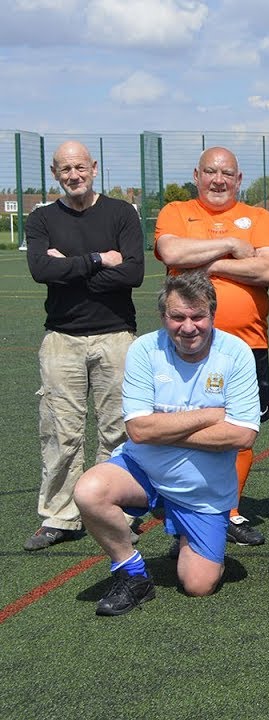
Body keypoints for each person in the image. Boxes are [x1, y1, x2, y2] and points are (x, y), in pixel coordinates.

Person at [73, 271, 260, 615]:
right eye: (177, 317)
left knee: (198, 585)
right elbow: (139, 432)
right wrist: (208, 415)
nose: (188, 327)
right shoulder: (145, 349)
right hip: (143, 469)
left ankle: (188, 530)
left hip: (202, 490)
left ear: (212, 315)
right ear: (164, 317)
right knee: (89, 491)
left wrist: (164, 428)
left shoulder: (236, 353)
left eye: (197, 316)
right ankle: (133, 576)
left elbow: (242, 435)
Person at [155, 147, 269, 547]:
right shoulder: (175, 211)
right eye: (210, 171)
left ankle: (229, 510)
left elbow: (268, 270)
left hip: (247, 344)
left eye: (227, 173)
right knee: (185, 421)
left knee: (243, 428)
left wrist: (206, 264)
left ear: (239, 179)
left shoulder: (260, 218)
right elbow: (171, 252)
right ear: (197, 174)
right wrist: (230, 243)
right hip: (184, 344)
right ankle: (186, 507)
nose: (218, 179)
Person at [23, 140, 145, 551]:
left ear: (94, 167)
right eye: (64, 170)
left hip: (116, 336)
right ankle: (60, 516)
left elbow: (133, 275)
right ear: (54, 173)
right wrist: (97, 259)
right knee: (60, 432)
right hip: (61, 338)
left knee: (119, 429)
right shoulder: (41, 219)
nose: (73, 175)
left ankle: (119, 510)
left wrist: (69, 266)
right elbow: (41, 270)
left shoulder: (121, 213)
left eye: (80, 167)